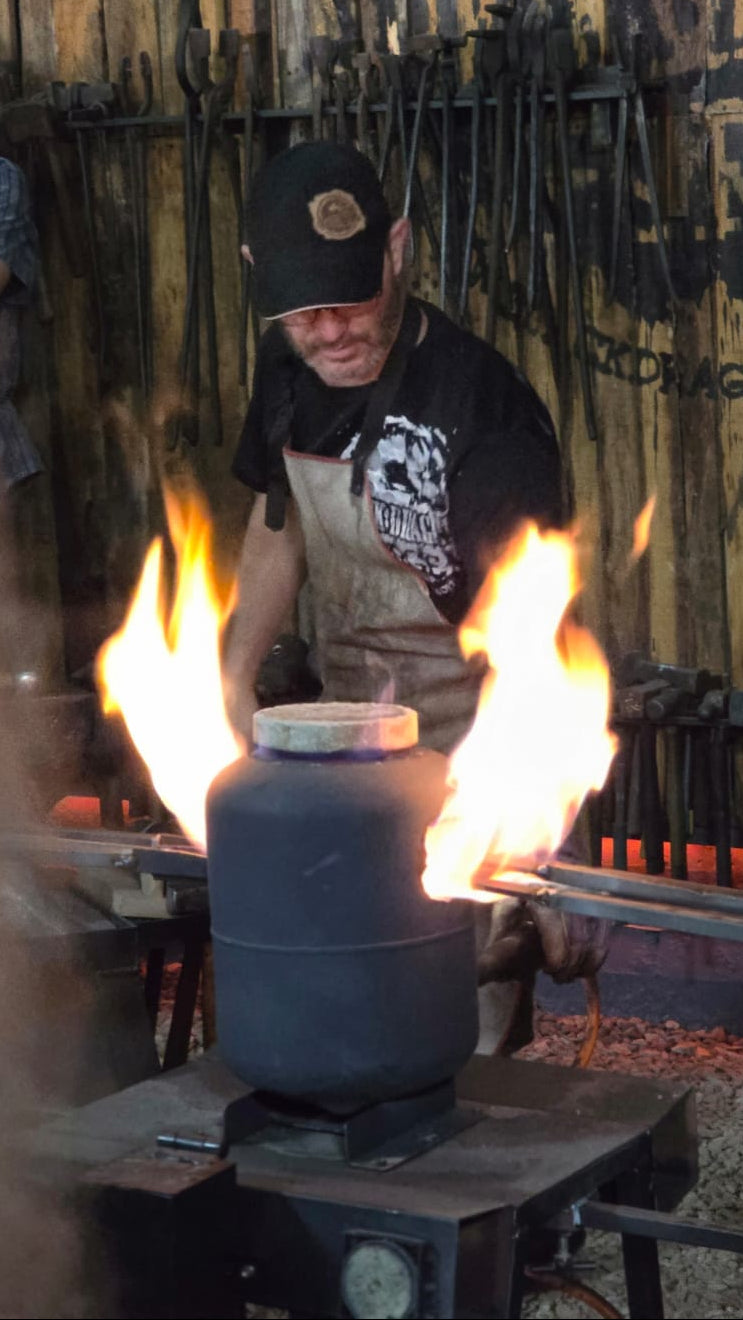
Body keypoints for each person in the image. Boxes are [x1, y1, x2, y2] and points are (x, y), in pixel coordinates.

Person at [226, 141, 605, 1049]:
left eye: (349, 301)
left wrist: (520, 830)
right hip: (340, 739)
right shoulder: (288, 369)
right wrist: (233, 676)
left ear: (397, 250)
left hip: (464, 742)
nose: (329, 332)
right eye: (301, 312)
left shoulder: (485, 411)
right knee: (334, 1015)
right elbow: (278, 521)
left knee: (455, 1035)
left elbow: (533, 653)